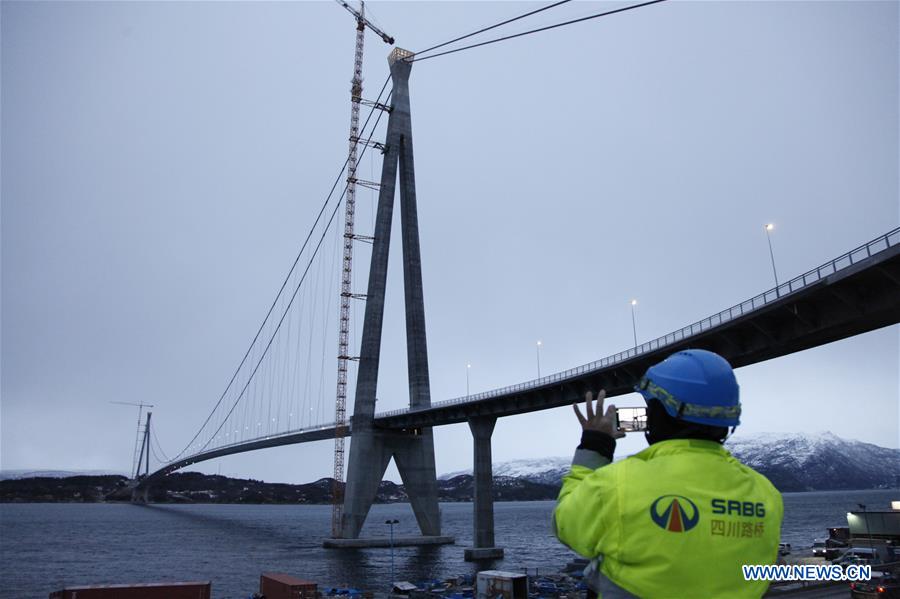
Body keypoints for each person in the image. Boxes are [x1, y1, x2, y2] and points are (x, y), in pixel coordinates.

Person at [553, 349, 783, 598]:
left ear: (659, 413)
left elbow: (566, 525)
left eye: (649, 407)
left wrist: (595, 446)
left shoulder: (619, 483)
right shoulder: (766, 494)